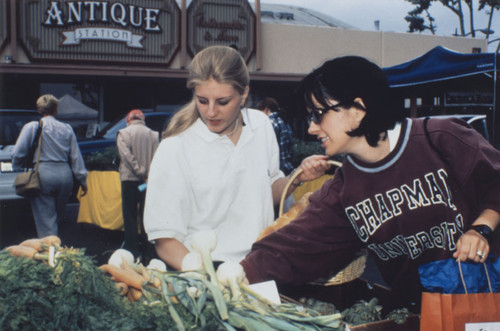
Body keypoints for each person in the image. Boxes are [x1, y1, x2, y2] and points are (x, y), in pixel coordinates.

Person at [240, 56, 500, 307]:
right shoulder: (345, 189)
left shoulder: (440, 137)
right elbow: (299, 244)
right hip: (421, 314)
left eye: (318, 114)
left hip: (487, 300)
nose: (311, 128)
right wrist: (240, 272)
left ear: (357, 110)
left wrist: (481, 229)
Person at [144, 45, 327, 270]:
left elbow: (267, 191)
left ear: (244, 94)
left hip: (261, 263)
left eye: (222, 102)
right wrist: (209, 279)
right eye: (202, 100)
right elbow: (165, 240)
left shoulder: (261, 125)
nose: (211, 112)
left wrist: (297, 177)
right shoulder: (174, 148)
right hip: (205, 271)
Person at [11, 94, 88, 238]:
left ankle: (50, 255)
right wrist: (82, 180)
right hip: (65, 175)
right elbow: (76, 156)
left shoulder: (32, 127)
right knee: (55, 217)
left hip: (43, 173)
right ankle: (56, 249)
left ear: (39, 110)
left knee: (46, 221)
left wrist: (17, 167)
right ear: (55, 109)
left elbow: (17, 152)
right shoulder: (67, 128)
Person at [116, 109, 159, 260]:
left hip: (129, 179)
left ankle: (132, 249)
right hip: (147, 181)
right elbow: (156, 158)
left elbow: (126, 156)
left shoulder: (123, 133)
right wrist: (147, 174)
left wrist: (138, 170)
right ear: (143, 119)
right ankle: (148, 251)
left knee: (130, 214)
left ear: (128, 120)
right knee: (146, 215)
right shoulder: (153, 134)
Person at [257, 97, 294, 175]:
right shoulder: (283, 121)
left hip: (275, 169)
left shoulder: (268, 123)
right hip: (287, 167)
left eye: (260, 110)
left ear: (266, 109)